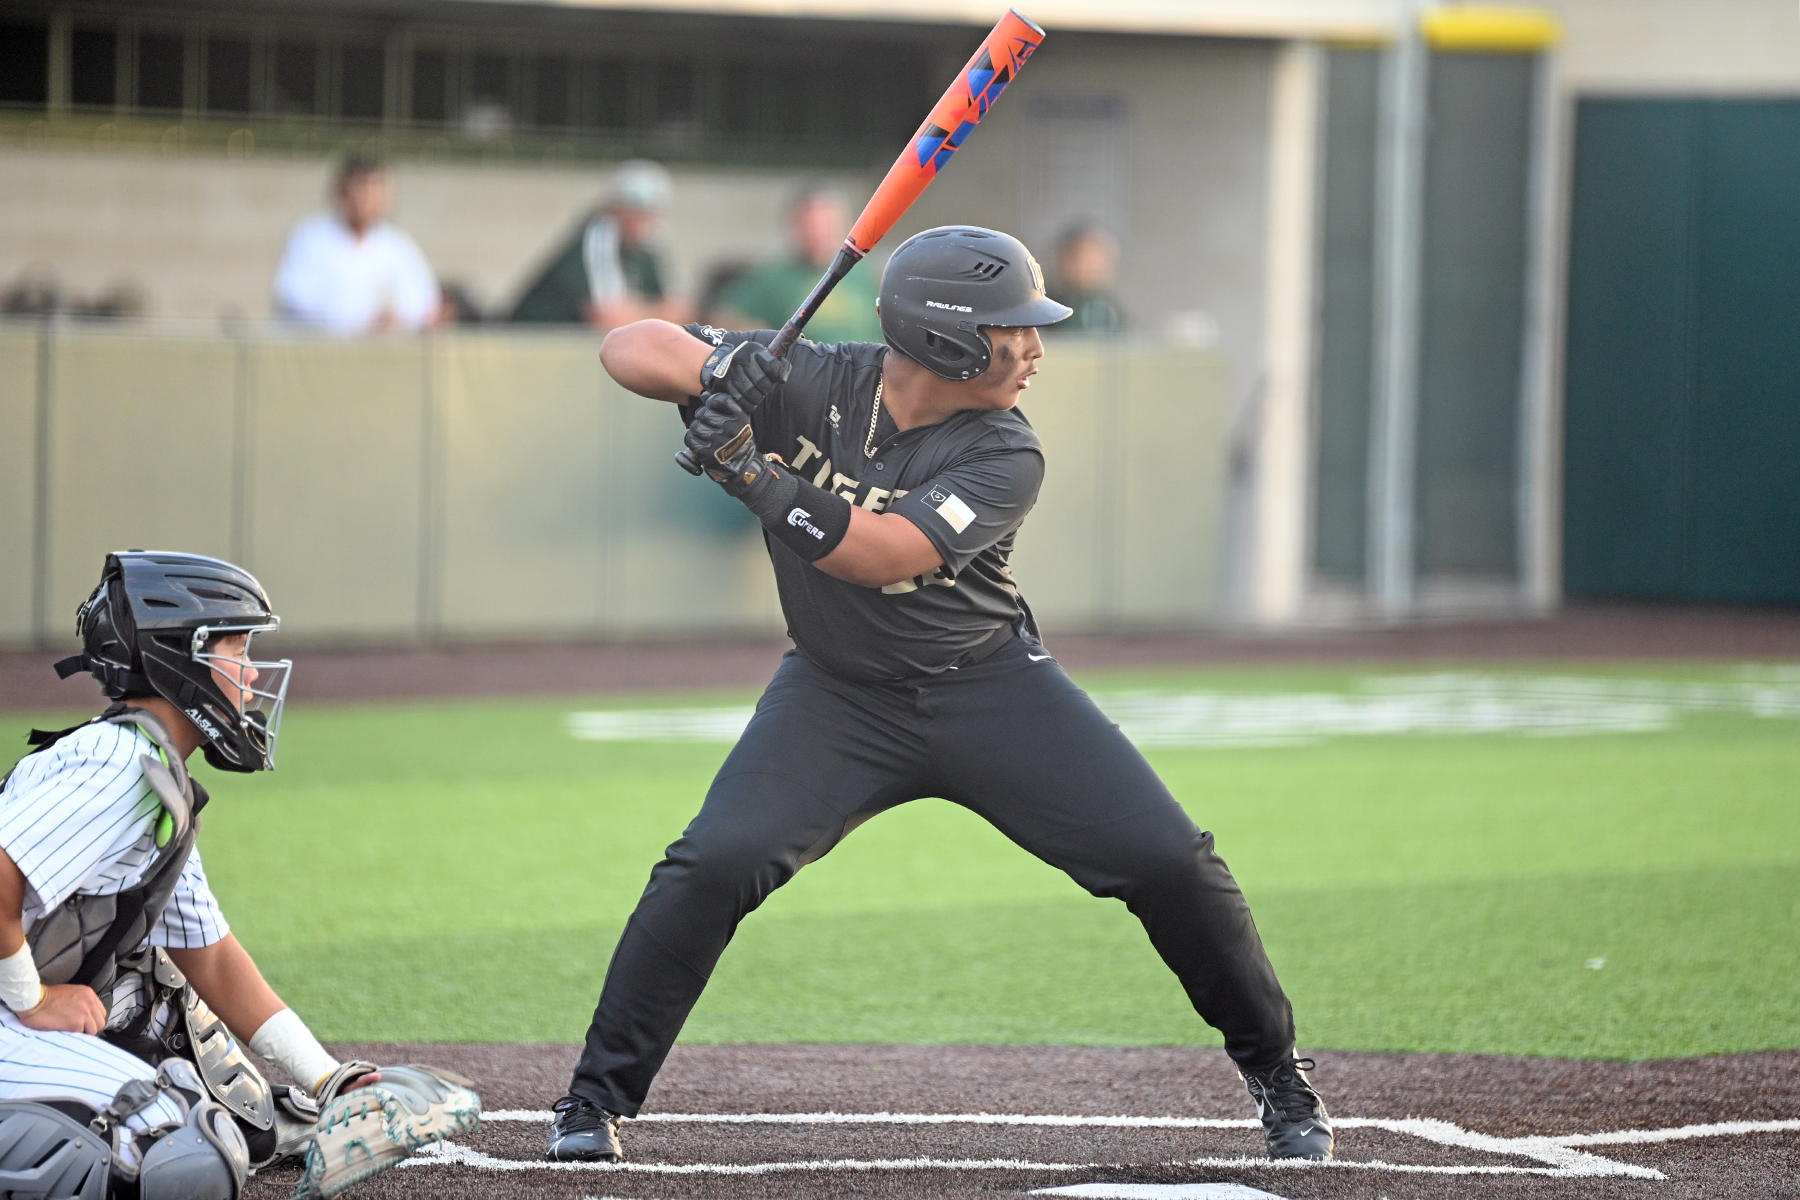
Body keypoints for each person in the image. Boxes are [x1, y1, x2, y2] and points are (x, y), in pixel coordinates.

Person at [545, 226, 1335, 1165]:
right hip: (837, 695)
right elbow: (627, 347)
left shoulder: (1007, 451)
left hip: (989, 688)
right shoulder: (819, 376)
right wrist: (724, 376)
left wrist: (750, 470)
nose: (1037, 350)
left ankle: (1277, 1072)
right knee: (711, 864)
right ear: (952, 340)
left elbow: (877, 556)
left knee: (1171, 863)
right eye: (1017, 331)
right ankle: (594, 1101)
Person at [0, 552, 480, 1200]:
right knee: (178, 1148)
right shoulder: (114, 765)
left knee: (172, 1023)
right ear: (180, 657)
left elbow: (214, 959)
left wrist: (330, 1082)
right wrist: (32, 999)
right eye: (238, 647)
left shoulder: (149, 768)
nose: (253, 674)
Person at [508, 159, 690, 330]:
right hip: (530, 342)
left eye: (646, 213)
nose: (637, 219)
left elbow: (681, 312)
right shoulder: (598, 235)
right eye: (629, 210)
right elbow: (611, 320)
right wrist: (653, 313)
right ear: (612, 208)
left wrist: (639, 312)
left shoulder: (651, 243)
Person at [274, 155, 442, 336]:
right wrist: (360, 321)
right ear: (342, 189)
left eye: (376, 188)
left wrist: (395, 319)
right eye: (361, 187)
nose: (368, 197)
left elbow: (425, 300)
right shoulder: (310, 238)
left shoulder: (397, 245)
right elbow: (294, 296)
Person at [710, 184, 883, 345]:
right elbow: (723, 320)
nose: (818, 232)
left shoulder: (868, 276)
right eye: (810, 224)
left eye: (826, 224)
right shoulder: (773, 279)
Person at [1044, 221, 1125, 334]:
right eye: (1077, 257)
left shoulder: (1117, 319)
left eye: (1095, 259)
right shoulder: (1044, 312)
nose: (1086, 265)